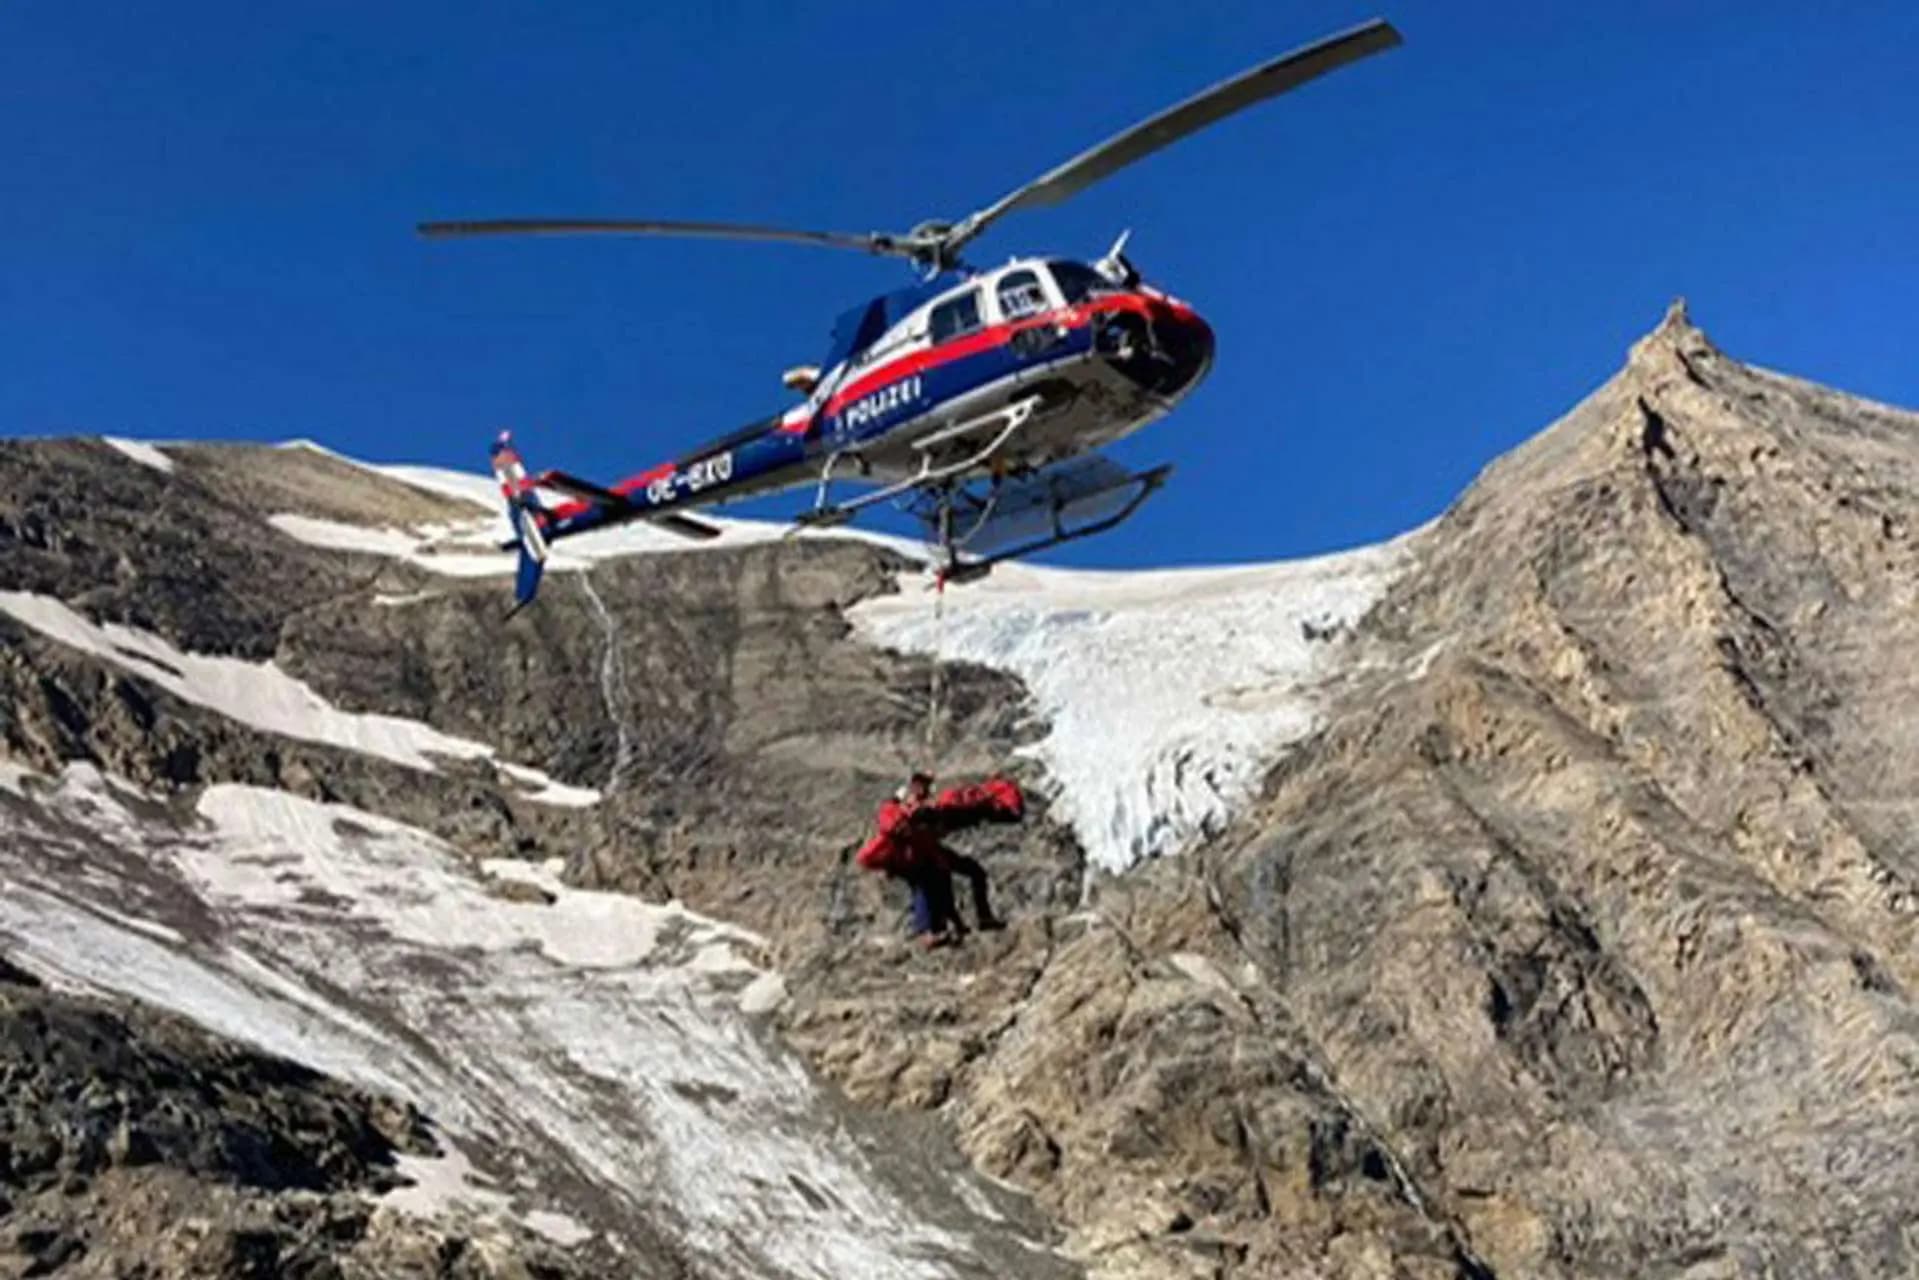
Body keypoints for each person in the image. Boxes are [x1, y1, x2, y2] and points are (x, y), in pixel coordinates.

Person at [856, 770, 1015, 949]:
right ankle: (930, 931)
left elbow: (936, 826)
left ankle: (967, 921)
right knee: (924, 884)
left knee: (963, 872)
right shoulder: (895, 808)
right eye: (920, 783)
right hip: (907, 856)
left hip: (924, 853)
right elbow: (893, 827)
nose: (922, 788)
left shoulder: (928, 806)